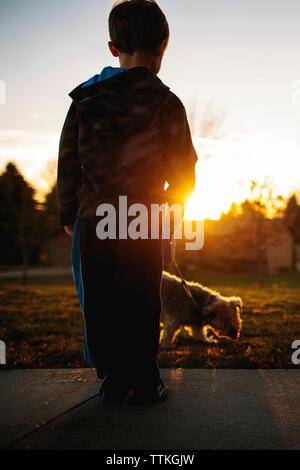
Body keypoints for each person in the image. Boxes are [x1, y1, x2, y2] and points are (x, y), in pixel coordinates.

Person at [57, 0, 197, 404]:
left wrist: (69, 212)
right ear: (163, 46)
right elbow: (185, 169)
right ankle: (145, 377)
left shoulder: (84, 98)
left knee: (101, 303)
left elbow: (69, 161)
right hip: (144, 218)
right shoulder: (167, 102)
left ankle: (114, 380)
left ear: (112, 48)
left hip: (94, 217)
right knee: (141, 300)